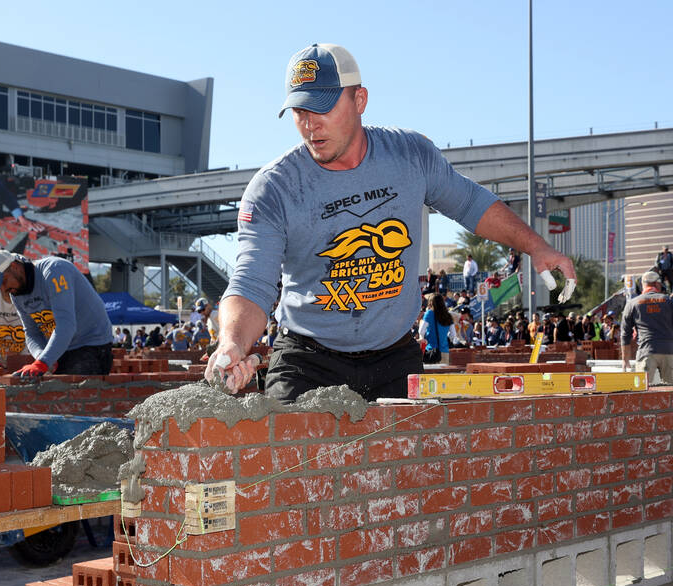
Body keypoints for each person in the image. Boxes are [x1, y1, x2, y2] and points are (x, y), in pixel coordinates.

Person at [204, 43, 575, 401]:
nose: (310, 125)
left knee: (410, 462)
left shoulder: (409, 156)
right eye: (300, 112)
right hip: (308, 359)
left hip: (393, 358)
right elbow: (252, 281)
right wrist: (232, 343)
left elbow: (470, 203)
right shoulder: (274, 188)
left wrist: (537, 247)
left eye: (322, 108)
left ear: (359, 100)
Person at [0, 250, 114, 376]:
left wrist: (43, 362)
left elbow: (66, 324)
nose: (4, 290)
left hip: (91, 345)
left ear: (15, 266)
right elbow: (31, 332)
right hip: (63, 348)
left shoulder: (54, 270)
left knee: (71, 394)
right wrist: (41, 356)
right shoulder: (16, 293)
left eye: (3, 281)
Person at [620, 271, 673, 386]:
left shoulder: (633, 303)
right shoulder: (670, 302)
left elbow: (625, 334)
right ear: (657, 284)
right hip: (669, 351)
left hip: (646, 352)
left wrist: (625, 359)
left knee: (642, 391)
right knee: (670, 392)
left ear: (643, 285)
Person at [420, 292, 452, 364]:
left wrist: (423, 338)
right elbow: (453, 334)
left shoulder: (429, 313)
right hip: (445, 351)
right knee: (444, 374)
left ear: (431, 302)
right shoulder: (448, 315)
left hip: (432, 351)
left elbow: (421, 331)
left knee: (431, 374)